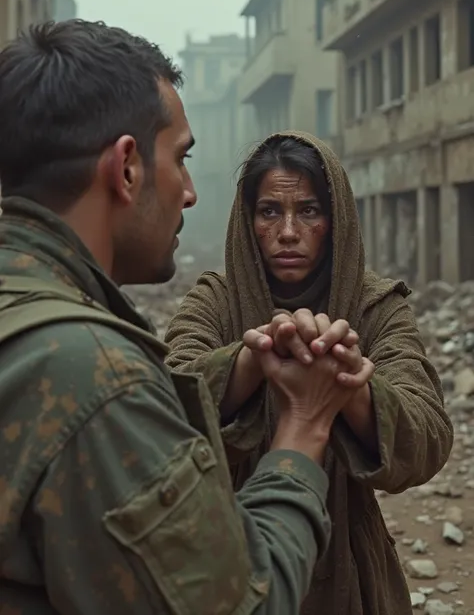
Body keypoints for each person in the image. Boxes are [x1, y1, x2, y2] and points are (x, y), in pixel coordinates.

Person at [0, 22, 371, 615]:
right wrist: (303, 425)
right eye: (181, 159)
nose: (192, 193)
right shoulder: (98, 378)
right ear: (126, 168)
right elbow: (240, 602)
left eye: (309, 211)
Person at [165, 132, 454, 615]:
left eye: (310, 211)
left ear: (335, 218)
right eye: (270, 212)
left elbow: (426, 437)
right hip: (227, 557)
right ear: (248, 220)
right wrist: (253, 359)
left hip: (350, 568)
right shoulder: (215, 301)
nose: (289, 231)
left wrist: (346, 383)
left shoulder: (376, 308)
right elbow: (165, 408)